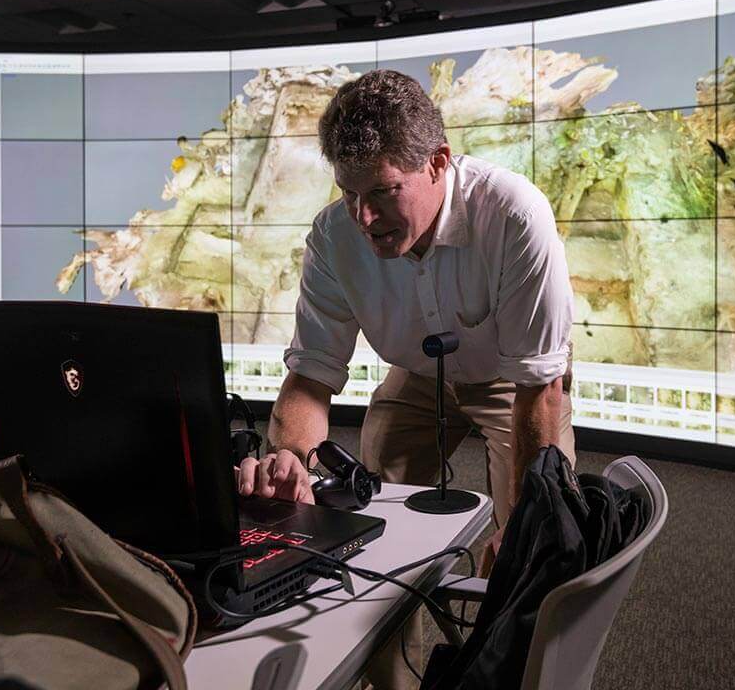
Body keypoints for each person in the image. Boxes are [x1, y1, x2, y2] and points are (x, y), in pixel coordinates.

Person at [236, 68, 576, 689]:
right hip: (418, 373)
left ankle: (518, 673)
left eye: (385, 192)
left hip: (513, 382)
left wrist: (521, 523)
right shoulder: (334, 236)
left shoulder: (514, 214)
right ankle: (392, 677)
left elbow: (539, 387)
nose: (366, 217)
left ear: (438, 162)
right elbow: (309, 378)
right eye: (349, 195)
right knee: (359, 522)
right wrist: (288, 457)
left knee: (537, 542)